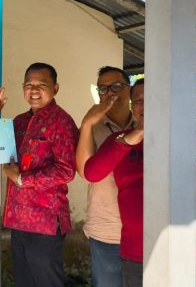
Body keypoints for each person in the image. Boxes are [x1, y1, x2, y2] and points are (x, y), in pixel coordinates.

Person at [0, 63, 79, 287]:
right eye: (29, 85)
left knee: (46, 282)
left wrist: (21, 179)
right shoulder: (19, 121)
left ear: (55, 88)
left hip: (45, 220)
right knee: (24, 281)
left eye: (41, 85)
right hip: (18, 218)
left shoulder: (61, 122)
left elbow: (66, 171)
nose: (34, 90)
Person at [76, 66, 135, 287]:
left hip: (141, 228)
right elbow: (84, 172)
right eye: (103, 89)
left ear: (129, 89)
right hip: (106, 231)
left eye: (116, 86)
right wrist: (87, 124)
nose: (110, 93)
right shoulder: (91, 128)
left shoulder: (143, 124)